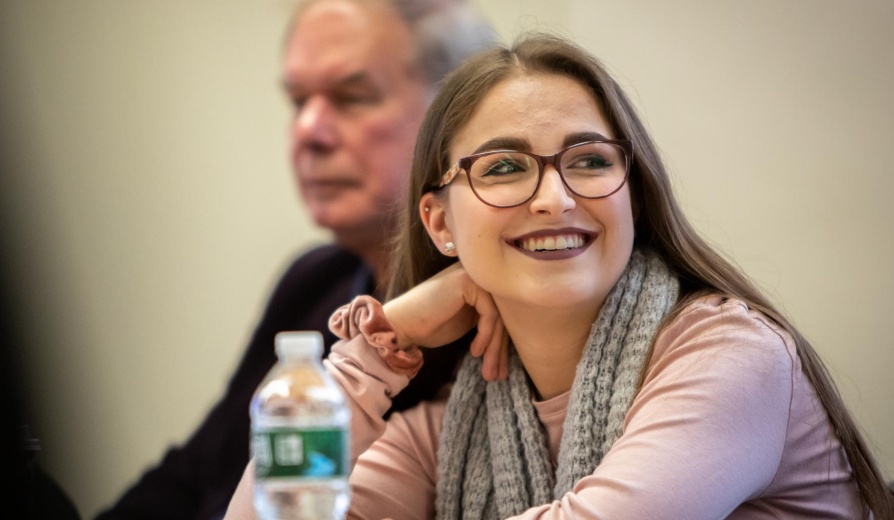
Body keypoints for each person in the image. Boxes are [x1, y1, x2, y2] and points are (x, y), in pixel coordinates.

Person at [223, 33, 894, 519]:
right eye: (503, 167)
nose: (555, 199)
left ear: (634, 194)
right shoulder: (451, 430)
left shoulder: (731, 356)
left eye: (590, 161)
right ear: (439, 222)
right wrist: (379, 344)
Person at [95, 1, 495, 519]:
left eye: (352, 98)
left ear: (460, 120)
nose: (309, 130)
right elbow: (192, 477)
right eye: (298, 101)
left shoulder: (486, 323)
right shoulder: (316, 280)